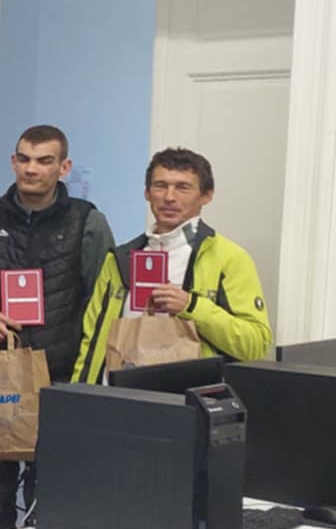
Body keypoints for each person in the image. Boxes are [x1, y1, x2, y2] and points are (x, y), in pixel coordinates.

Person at [0, 125, 115, 529]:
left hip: (59, 378)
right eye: (23, 159)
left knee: (53, 500)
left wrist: (88, 380)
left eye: (43, 161)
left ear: (64, 167)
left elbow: (102, 302)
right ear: (13, 162)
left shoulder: (88, 222)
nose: (31, 169)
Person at [72, 148, 271, 380]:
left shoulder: (230, 259)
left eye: (182, 187)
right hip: (120, 394)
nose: (169, 197)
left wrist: (192, 306)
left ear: (206, 196)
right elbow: (92, 341)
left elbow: (256, 345)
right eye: (160, 186)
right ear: (147, 193)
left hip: (189, 396)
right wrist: (79, 392)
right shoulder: (119, 259)